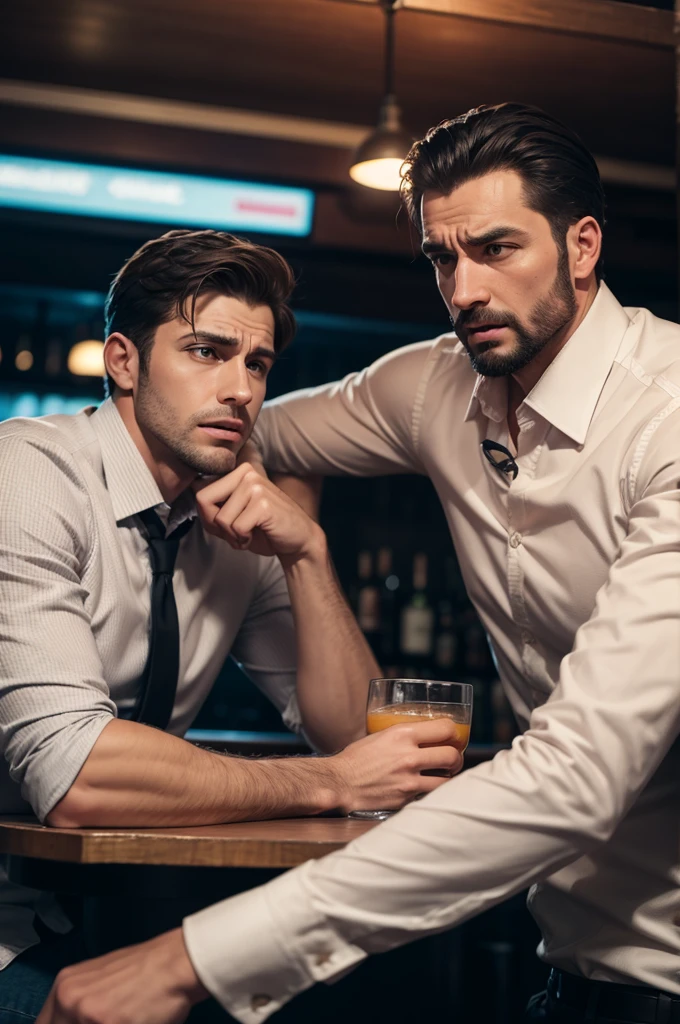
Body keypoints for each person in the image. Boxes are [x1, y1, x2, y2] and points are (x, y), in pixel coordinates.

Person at [37, 103, 680, 1024]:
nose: (463, 290)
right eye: (441, 258)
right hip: (574, 965)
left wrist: (196, 959)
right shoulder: (436, 387)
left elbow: (579, 778)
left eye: (497, 249)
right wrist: (291, 541)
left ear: (583, 246)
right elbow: (248, 434)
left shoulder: (667, 422)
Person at [0, 228, 464, 1023]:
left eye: (256, 363)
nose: (242, 390)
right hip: (8, 927)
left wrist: (308, 556)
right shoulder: (29, 478)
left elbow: (353, 729)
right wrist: (329, 782)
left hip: (107, 912)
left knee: (370, 996)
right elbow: (74, 776)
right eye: (206, 353)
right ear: (123, 361)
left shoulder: (235, 520)